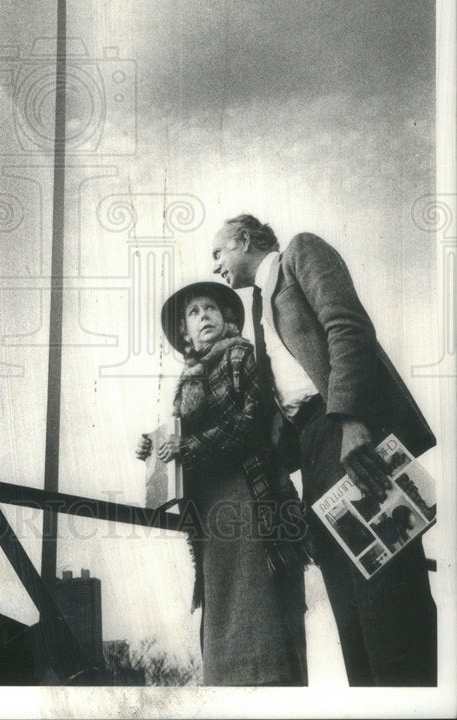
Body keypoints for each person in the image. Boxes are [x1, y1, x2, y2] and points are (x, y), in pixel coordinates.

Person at [211, 214, 437, 686]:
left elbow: (348, 328)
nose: (216, 267)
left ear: (244, 239)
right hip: (311, 449)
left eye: (219, 253)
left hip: (346, 428)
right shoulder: (256, 312)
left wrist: (352, 421)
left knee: (387, 586)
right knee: (347, 596)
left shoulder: (299, 254)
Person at [137, 281, 310, 686]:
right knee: (222, 607)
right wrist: (155, 444)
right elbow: (184, 434)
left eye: (210, 309)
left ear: (228, 318)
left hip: (248, 494)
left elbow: (250, 421)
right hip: (210, 508)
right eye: (194, 313)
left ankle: (267, 684)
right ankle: (233, 688)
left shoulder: (238, 353)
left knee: (256, 602)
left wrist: (188, 445)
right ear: (185, 333)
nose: (204, 317)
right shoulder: (190, 375)